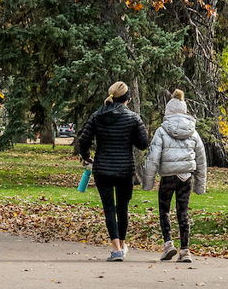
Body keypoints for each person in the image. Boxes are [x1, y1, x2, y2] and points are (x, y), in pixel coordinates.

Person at [75, 81, 149, 261]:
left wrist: (86, 156)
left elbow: (83, 140)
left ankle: (116, 248)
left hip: (103, 168)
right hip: (125, 169)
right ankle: (122, 245)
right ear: (128, 99)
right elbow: (143, 143)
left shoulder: (97, 116)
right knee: (122, 208)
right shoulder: (133, 118)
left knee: (109, 208)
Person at [142, 90, 209, 263]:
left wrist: (148, 182)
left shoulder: (162, 131)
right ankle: (185, 250)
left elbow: (153, 158)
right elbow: (201, 160)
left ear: (168, 111)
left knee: (164, 210)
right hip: (186, 176)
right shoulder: (193, 132)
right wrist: (200, 185)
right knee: (183, 212)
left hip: (168, 176)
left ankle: (168, 244)